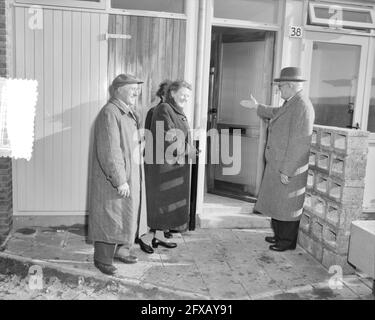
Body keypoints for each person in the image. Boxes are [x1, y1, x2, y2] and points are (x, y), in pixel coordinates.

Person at [240, 67, 315, 252]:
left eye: (280, 87)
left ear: (290, 85)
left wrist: (287, 170)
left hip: (287, 167)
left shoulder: (302, 106)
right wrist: (257, 107)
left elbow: (300, 143)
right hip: (278, 164)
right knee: (278, 203)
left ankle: (286, 242)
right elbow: (276, 113)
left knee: (287, 205)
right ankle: (279, 236)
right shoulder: (292, 102)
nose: (279, 90)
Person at [88, 74, 148, 275]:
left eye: (137, 89)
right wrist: (120, 180)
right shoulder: (110, 113)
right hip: (114, 179)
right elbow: (109, 151)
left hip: (130, 173)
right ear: (118, 90)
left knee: (126, 215)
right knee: (110, 215)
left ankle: (121, 250)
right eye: (132, 89)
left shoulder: (127, 112)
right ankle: (102, 259)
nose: (136, 92)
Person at [146, 80, 197, 249]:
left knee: (166, 204)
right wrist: (188, 149)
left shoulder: (176, 111)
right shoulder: (164, 109)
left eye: (188, 96)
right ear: (172, 93)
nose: (185, 98)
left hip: (175, 165)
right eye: (183, 94)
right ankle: (150, 238)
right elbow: (169, 137)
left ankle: (160, 236)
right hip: (165, 166)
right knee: (163, 203)